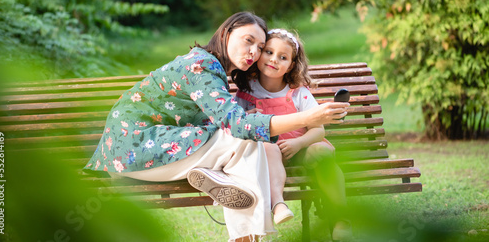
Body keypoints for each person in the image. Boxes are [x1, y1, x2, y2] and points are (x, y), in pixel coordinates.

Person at [83, 13, 349, 242]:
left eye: (259, 46)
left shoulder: (211, 67)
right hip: (134, 148)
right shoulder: (201, 65)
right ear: (226, 32)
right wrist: (307, 118)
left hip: (145, 149)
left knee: (247, 146)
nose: (254, 52)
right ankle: (240, 216)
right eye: (249, 41)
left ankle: (222, 180)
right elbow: (236, 124)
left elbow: (215, 119)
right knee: (248, 140)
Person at [235, 29, 353, 240]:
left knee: (322, 153)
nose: (273, 60)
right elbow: (235, 127)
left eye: (282, 57)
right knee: (267, 144)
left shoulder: (297, 92)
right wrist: (246, 118)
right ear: (259, 54)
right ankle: (279, 205)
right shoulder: (247, 92)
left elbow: (318, 130)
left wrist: (298, 143)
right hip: (266, 155)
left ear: (290, 65)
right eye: (269, 52)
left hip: (300, 149)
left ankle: (340, 218)